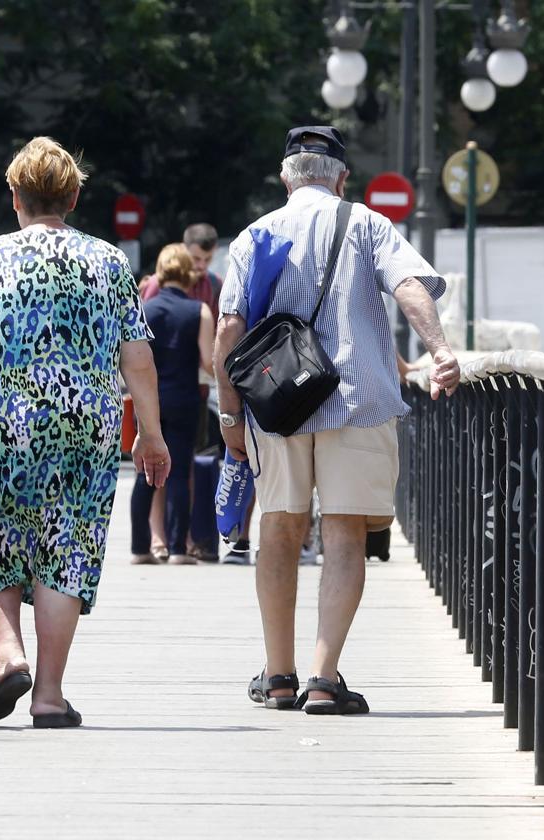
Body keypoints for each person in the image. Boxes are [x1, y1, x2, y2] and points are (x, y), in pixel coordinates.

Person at [0, 136, 170, 729]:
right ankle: (49, 696)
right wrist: (151, 434)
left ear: (15, 198)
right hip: (89, 425)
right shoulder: (110, 261)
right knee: (69, 548)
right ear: (75, 196)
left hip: (9, 421)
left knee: (1, 535)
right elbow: (138, 360)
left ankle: (9, 654)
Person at [214, 125, 460, 714]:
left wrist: (228, 411)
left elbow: (228, 327)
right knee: (345, 532)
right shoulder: (368, 224)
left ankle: (278, 675)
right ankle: (323, 680)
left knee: (278, 524)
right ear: (342, 178)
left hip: (277, 405)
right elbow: (408, 286)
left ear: (285, 178)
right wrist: (441, 349)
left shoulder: (255, 234)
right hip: (358, 397)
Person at [138, 223, 221, 560]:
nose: (201, 266)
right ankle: (160, 539)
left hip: (193, 390)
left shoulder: (213, 285)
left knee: (181, 467)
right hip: (172, 388)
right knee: (157, 464)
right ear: (184, 252)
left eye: (207, 259)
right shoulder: (156, 286)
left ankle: (179, 538)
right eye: (197, 258)